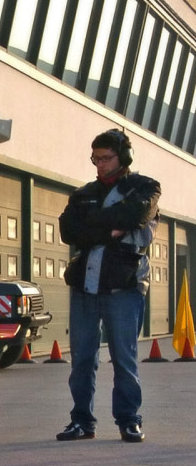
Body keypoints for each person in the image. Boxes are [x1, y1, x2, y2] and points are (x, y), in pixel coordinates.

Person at [56, 130, 159, 443]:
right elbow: (67, 230)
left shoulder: (144, 187)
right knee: (82, 359)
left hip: (124, 285)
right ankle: (82, 420)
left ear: (123, 157)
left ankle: (129, 419)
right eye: (96, 158)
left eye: (106, 158)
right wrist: (108, 228)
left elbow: (136, 213)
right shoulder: (83, 193)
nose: (100, 164)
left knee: (123, 358)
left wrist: (92, 224)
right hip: (85, 284)